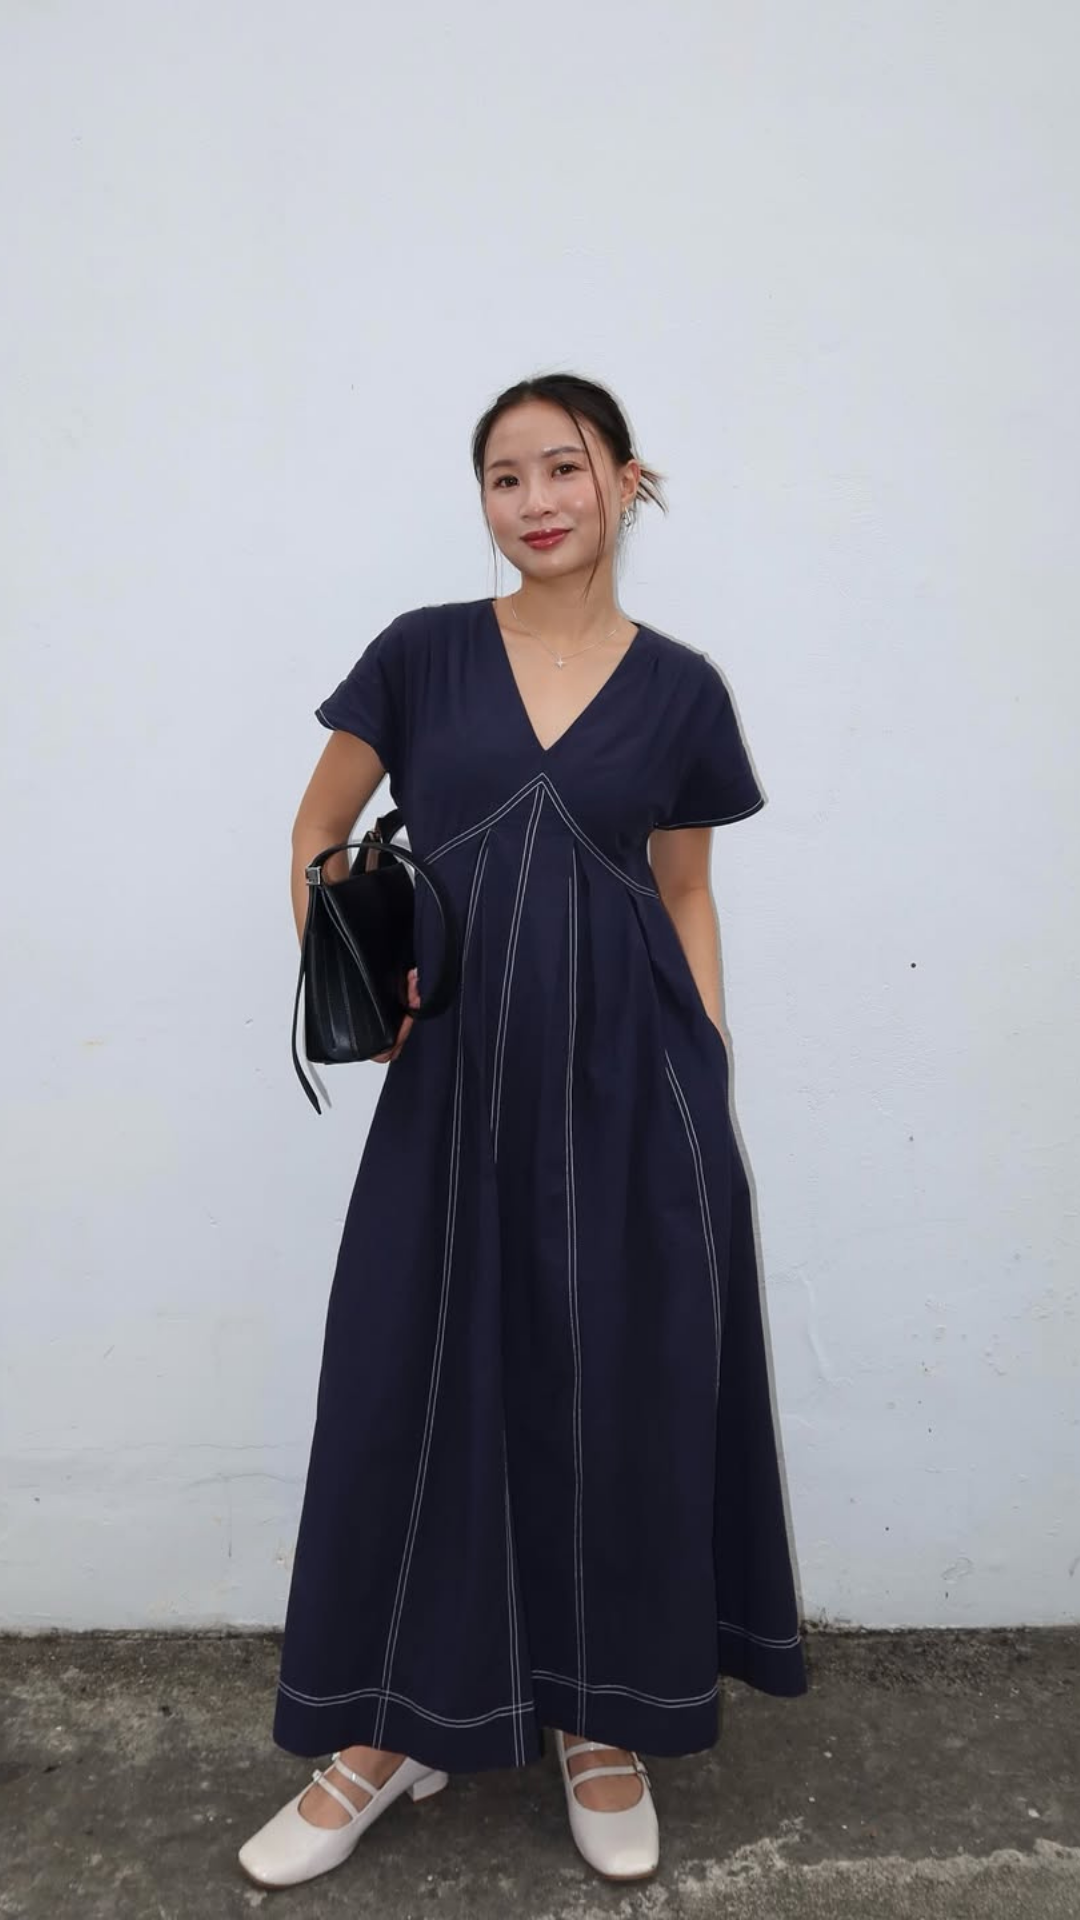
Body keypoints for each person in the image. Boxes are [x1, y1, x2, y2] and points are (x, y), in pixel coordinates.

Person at [239, 371, 807, 1891]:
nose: (537, 500)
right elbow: (316, 832)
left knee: (614, 1394)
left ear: (626, 480)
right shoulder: (421, 655)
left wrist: (708, 1078)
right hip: (455, 1088)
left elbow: (685, 892)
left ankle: (597, 1721)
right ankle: (387, 1733)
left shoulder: (681, 691)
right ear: (482, 501)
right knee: (411, 1387)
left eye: (566, 467)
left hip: (633, 1093)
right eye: (506, 476)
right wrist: (357, 976)